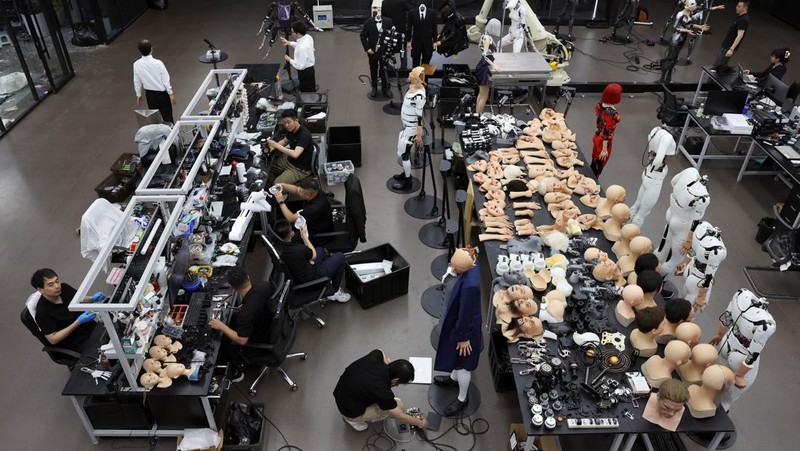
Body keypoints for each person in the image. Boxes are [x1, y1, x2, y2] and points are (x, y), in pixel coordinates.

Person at [433, 247, 481, 417]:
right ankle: (453, 378)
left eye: (456, 268)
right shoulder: (464, 267)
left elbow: (467, 313)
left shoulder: (470, 286)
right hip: (453, 322)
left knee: (463, 365)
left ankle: (462, 398)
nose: (452, 269)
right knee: (455, 357)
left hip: (463, 329)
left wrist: (463, 337)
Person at [209, 266, 277, 383]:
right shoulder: (264, 285)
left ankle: (236, 373)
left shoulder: (245, 314)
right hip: (269, 324)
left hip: (260, 340)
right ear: (248, 277)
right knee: (232, 319)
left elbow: (242, 340)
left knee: (219, 347)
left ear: (232, 287)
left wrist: (221, 326)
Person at [333, 349, 428, 431]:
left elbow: (381, 350)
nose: (397, 386)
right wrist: (421, 423)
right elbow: (401, 417)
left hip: (340, 391)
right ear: (396, 380)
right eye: (398, 383)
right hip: (348, 410)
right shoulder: (382, 390)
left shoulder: (375, 356)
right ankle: (351, 419)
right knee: (400, 407)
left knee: (386, 401)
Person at [30, 268, 106, 353]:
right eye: (51, 285)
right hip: (78, 341)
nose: (57, 286)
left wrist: (92, 298)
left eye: (57, 281)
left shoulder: (65, 288)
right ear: (40, 289)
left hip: (91, 327)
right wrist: (78, 322)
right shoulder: (42, 312)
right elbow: (53, 339)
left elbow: (79, 299)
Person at [274, 219, 350, 303]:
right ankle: (334, 291)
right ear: (292, 233)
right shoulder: (297, 250)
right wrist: (304, 237)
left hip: (298, 272)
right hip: (311, 280)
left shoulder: (278, 248)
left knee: (320, 250)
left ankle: (328, 277)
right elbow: (313, 255)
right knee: (340, 257)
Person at [392, 66, 427, 190]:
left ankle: (407, 181)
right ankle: (405, 174)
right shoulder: (411, 88)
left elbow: (419, 117)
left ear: (417, 78)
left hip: (411, 129)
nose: (409, 74)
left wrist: (418, 135)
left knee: (405, 154)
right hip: (406, 127)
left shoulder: (419, 96)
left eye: (412, 74)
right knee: (403, 152)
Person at [660, 0, 710, 84]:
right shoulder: (680, 14)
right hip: (676, 39)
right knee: (670, 59)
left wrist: (700, 26)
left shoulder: (688, 13)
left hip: (681, 39)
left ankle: (669, 77)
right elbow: (675, 27)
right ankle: (662, 78)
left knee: (675, 59)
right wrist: (686, 31)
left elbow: (690, 24)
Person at [133, 39, 176, 124]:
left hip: (150, 95)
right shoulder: (158, 63)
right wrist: (171, 94)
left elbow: (137, 81)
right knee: (168, 118)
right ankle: (172, 135)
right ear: (151, 49)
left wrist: (138, 94)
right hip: (162, 94)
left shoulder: (136, 64)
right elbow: (165, 79)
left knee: (155, 120)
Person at [267, 109, 314, 185]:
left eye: (288, 122)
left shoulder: (304, 135)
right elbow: (285, 141)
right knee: (268, 168)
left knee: (276, 186)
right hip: (290, 161)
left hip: (299, 169)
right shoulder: (292, 130)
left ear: (296, 120)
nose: (286, 125)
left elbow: (295, 154)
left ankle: (281, 190)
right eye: (284, 123)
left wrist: (276, 145)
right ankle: (279, 183)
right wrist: (272, 147)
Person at [590, 83, 622, 179]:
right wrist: (604, 149)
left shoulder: (600, 105)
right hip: (603, 143)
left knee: (594, 161)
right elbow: (606, 131)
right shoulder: (611, 114)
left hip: (597, 136)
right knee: (598, 167)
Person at [361, 12, 394, 98]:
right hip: (372, 51)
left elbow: (391, 35)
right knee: (373, 69)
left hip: (384, 51)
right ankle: (374, 88)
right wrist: (367, 49)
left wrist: (389, 49)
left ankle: (385, 88)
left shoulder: (388, 21)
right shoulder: (368, 22)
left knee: (384, 70)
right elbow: (363, 36)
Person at [280, 21, 316, 92]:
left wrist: (289, 60)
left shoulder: (302, 48)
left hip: (305, 73)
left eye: (293, 32)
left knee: (306, 92)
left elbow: (300, 66)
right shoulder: (308, 37)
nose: (292, 33)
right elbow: (299, 45)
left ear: (298, 33)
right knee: (310, 88)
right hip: (310, 71)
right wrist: (289, 43)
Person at [713, 1, 749, 69]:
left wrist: (731, 49)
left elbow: (740, 35)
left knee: (718, 65)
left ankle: (712, 79)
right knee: (720, 64)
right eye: (736, 6)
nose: (736, 8)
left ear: (745, 8)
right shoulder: (740, 17)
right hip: (726, 45)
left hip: (728, 47)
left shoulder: (743, 20)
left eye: (739, 6)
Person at [405, 0, 437, 67]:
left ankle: (425, 77)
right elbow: (409, 29)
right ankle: (416, 77)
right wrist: (408, 41)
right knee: (415, 64)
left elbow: (434, 28)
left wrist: (435, 41)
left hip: (428, 42)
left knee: (426, 65)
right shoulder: (412, 12)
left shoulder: (432, 13)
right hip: (416, 42)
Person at [475, 34, 500, 114]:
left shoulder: (485, 37)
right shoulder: (487, 38)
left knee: (481, 94)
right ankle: (478, 115)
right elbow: (485, 56)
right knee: (484, 96)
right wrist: (494, 65)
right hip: (483, 69)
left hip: (482, 67)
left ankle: (477, 113)